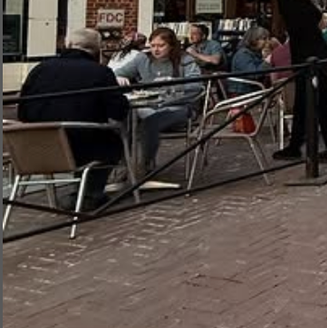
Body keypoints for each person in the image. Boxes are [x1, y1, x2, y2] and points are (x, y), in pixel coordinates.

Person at [17, 28, 131, 210]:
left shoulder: (40, 69)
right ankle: (89, 195)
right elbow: (119, 111)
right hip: (82, 147)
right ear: (97, 49)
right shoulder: (101, 73)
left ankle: (80, 192)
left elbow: (22, 112)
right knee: (113, 141)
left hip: (39, 147)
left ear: (67, 45)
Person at [270, 0, 327, 163]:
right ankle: (296, 145)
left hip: (311, 56)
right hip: (310, 54)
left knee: (320, 102)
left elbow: (315, 20)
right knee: (305, 102)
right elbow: (319, 19)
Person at [113, 27, 203, 173]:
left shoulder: (185, 59)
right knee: (123, 118)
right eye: (153, 45)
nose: (156, 50)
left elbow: (196, 86)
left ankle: (146, 166)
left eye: (161, 46)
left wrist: (173, 82)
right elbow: (117, 73)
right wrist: (119, 76)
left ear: (172, 46)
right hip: (147, 105)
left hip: (179, 107)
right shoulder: (143, 58)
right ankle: (124, 164)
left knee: (150, 122)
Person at [228, 25, 272, 95]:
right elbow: (253, 74)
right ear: (254, 40)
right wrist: (267, 61)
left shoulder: (256, 53)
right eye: (264, 39)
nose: (267, 42)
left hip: (255, 90)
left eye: (268, 39)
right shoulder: (243, 54)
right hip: (243, 93)